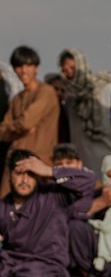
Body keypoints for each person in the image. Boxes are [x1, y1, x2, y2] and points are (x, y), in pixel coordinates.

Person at [0, 149, 96, 277]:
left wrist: (49, 170)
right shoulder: (3, 206)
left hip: (45, 267)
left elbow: (89, 182)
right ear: (10, 176)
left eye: (31, 174)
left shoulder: (53, 197)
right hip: (9, 265)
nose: (24, 180)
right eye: (19, 173)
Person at [0, 46, 60, 197]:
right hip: (14, 162)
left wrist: (15, 127)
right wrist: (19, 129)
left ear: (36, 67)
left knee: (37, 208)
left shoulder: (46, 92)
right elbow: (3, 132)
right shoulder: (17, 98)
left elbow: (26, 122)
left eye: (28, 66)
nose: (23, 71)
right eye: (19, 66)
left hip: (38, 161)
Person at [59, 48, 111, 179]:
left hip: (108, 155)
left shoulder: (105, 88)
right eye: (65, 70)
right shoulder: (69, 100)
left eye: (73, 68)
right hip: (83, 162)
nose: (69, 74)